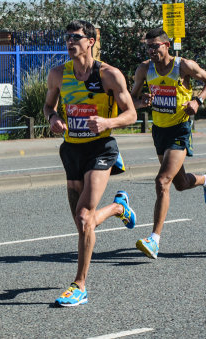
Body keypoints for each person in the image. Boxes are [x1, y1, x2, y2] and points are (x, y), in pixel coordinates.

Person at [44, 20, 137, 307]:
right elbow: (49, 106)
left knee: (84, 217)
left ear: (91, 41)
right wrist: (53, 118)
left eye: (77, 37)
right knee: (82, 222)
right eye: (67, 37)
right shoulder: (58, 74)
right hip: (71, 150)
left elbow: (131, 114)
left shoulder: (110, 75)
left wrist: (108, 122)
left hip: (101, 148)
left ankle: (79, 285)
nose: (71, 42)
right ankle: (118, 207)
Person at [131, 28, 206, 260]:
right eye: (148, 47)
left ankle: (154, 240)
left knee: (162, 181)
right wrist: (142, 101)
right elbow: (131, 100)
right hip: (159, 131)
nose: (151, 50)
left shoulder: (183, 66)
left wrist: (197, 100)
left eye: (155, 46)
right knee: (179, 183)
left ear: (166, 45)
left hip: (180, 129)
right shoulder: (144, 69)